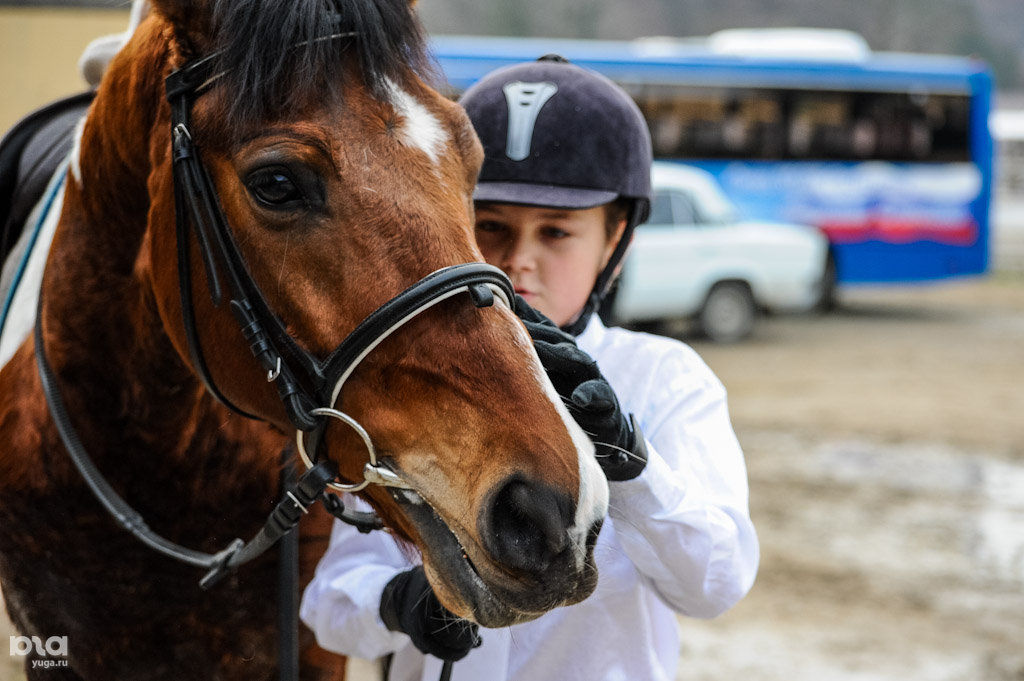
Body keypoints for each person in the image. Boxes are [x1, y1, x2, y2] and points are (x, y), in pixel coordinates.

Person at [300, 56, 759, 681]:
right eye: (490, 228)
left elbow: (715, 584)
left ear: (615, 241)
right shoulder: (408, 387)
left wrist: (632, 468)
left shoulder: (668, 379)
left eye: (557, 234)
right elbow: (328, 603)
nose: (520, 262)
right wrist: (398, 603)